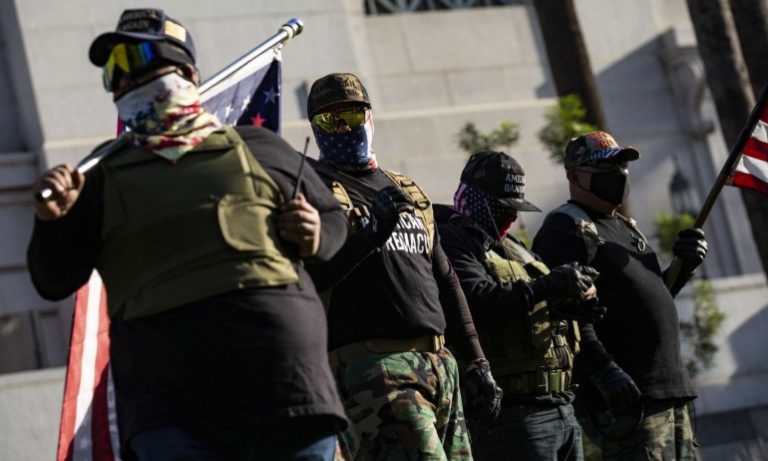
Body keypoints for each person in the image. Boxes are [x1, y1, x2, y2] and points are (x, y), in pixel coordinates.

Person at [27, 9, 350, 461]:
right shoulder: (98, 175)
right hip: (171, 414)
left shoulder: (257, 146)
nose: (124, 79)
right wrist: (51, 221)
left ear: (187, 73)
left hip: (287, 394)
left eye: (139, 60)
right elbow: (53, 279)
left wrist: (314, 234)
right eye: (113, 70)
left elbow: (335, 222)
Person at [303, 73, 503, 461]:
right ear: (315, 127)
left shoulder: (405, 189)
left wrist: (477, 361)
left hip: (440, 364)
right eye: (330, 120)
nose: (343, 128)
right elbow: (309, 277)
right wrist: (369, 235)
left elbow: (445, 279)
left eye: (352, 115)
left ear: (370, 117)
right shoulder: (313, 190)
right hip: (376, 368)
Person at [532, 131, 707, 460]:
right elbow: (565, 314)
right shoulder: (565, 229)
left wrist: (683, 267)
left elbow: (647, 298)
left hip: (669, 389)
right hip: (629, 400)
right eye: (606, 167)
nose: (619, 173)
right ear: (574, 176)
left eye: (622, 165)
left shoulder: (625, 226)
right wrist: (604, 370)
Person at [435, 151, 607, 461]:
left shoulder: (512, 247)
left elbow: (526, 308)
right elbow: (479, 300)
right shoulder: (453, 240)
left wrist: (567, 307)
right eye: (504, 209)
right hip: (516, 415)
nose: (512, 218)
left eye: (515, 210)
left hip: (561, 404)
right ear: (479, 201)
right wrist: (550, 285)